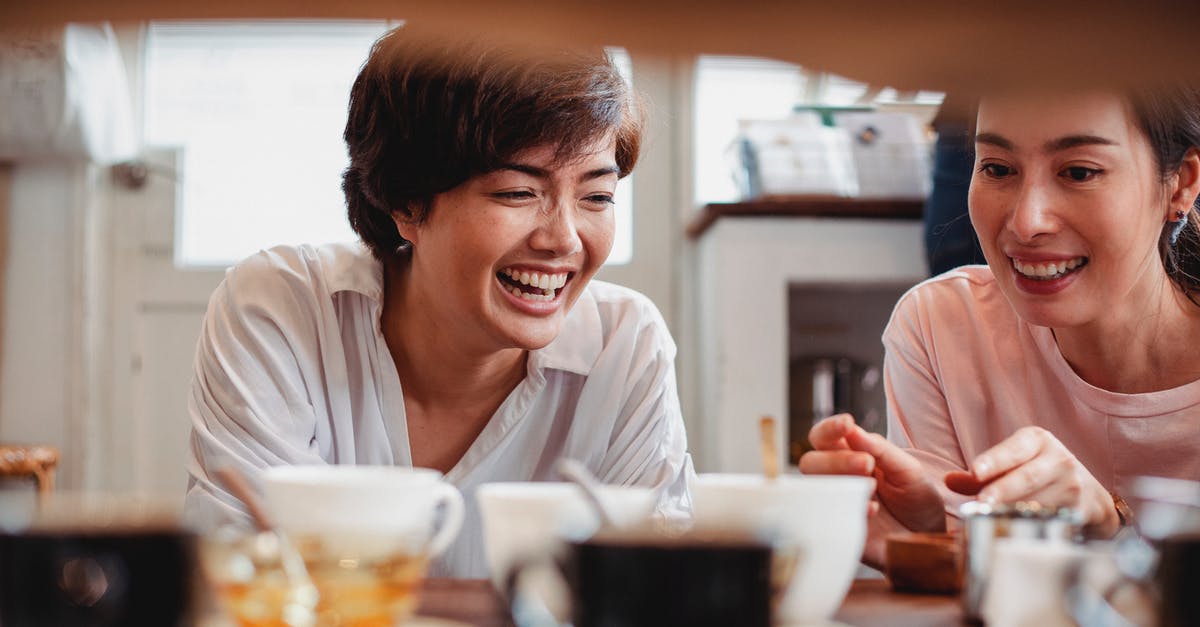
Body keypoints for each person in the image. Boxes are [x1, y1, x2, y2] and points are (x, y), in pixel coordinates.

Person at [183, 26, 693, 577]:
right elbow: (246, 578)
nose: (564, 239)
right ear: (407, 202)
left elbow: (651, 590)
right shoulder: (281, 310)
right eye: (518, 192)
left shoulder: (626, 347)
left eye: (597, 196)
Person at [801, 85, 1200, 568]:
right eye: (997, 168)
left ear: (1181, 183)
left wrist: (1113, 536)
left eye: (1079, 171)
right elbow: (971, 586)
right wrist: (932, 541)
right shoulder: (941, 327)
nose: (1027, 222)